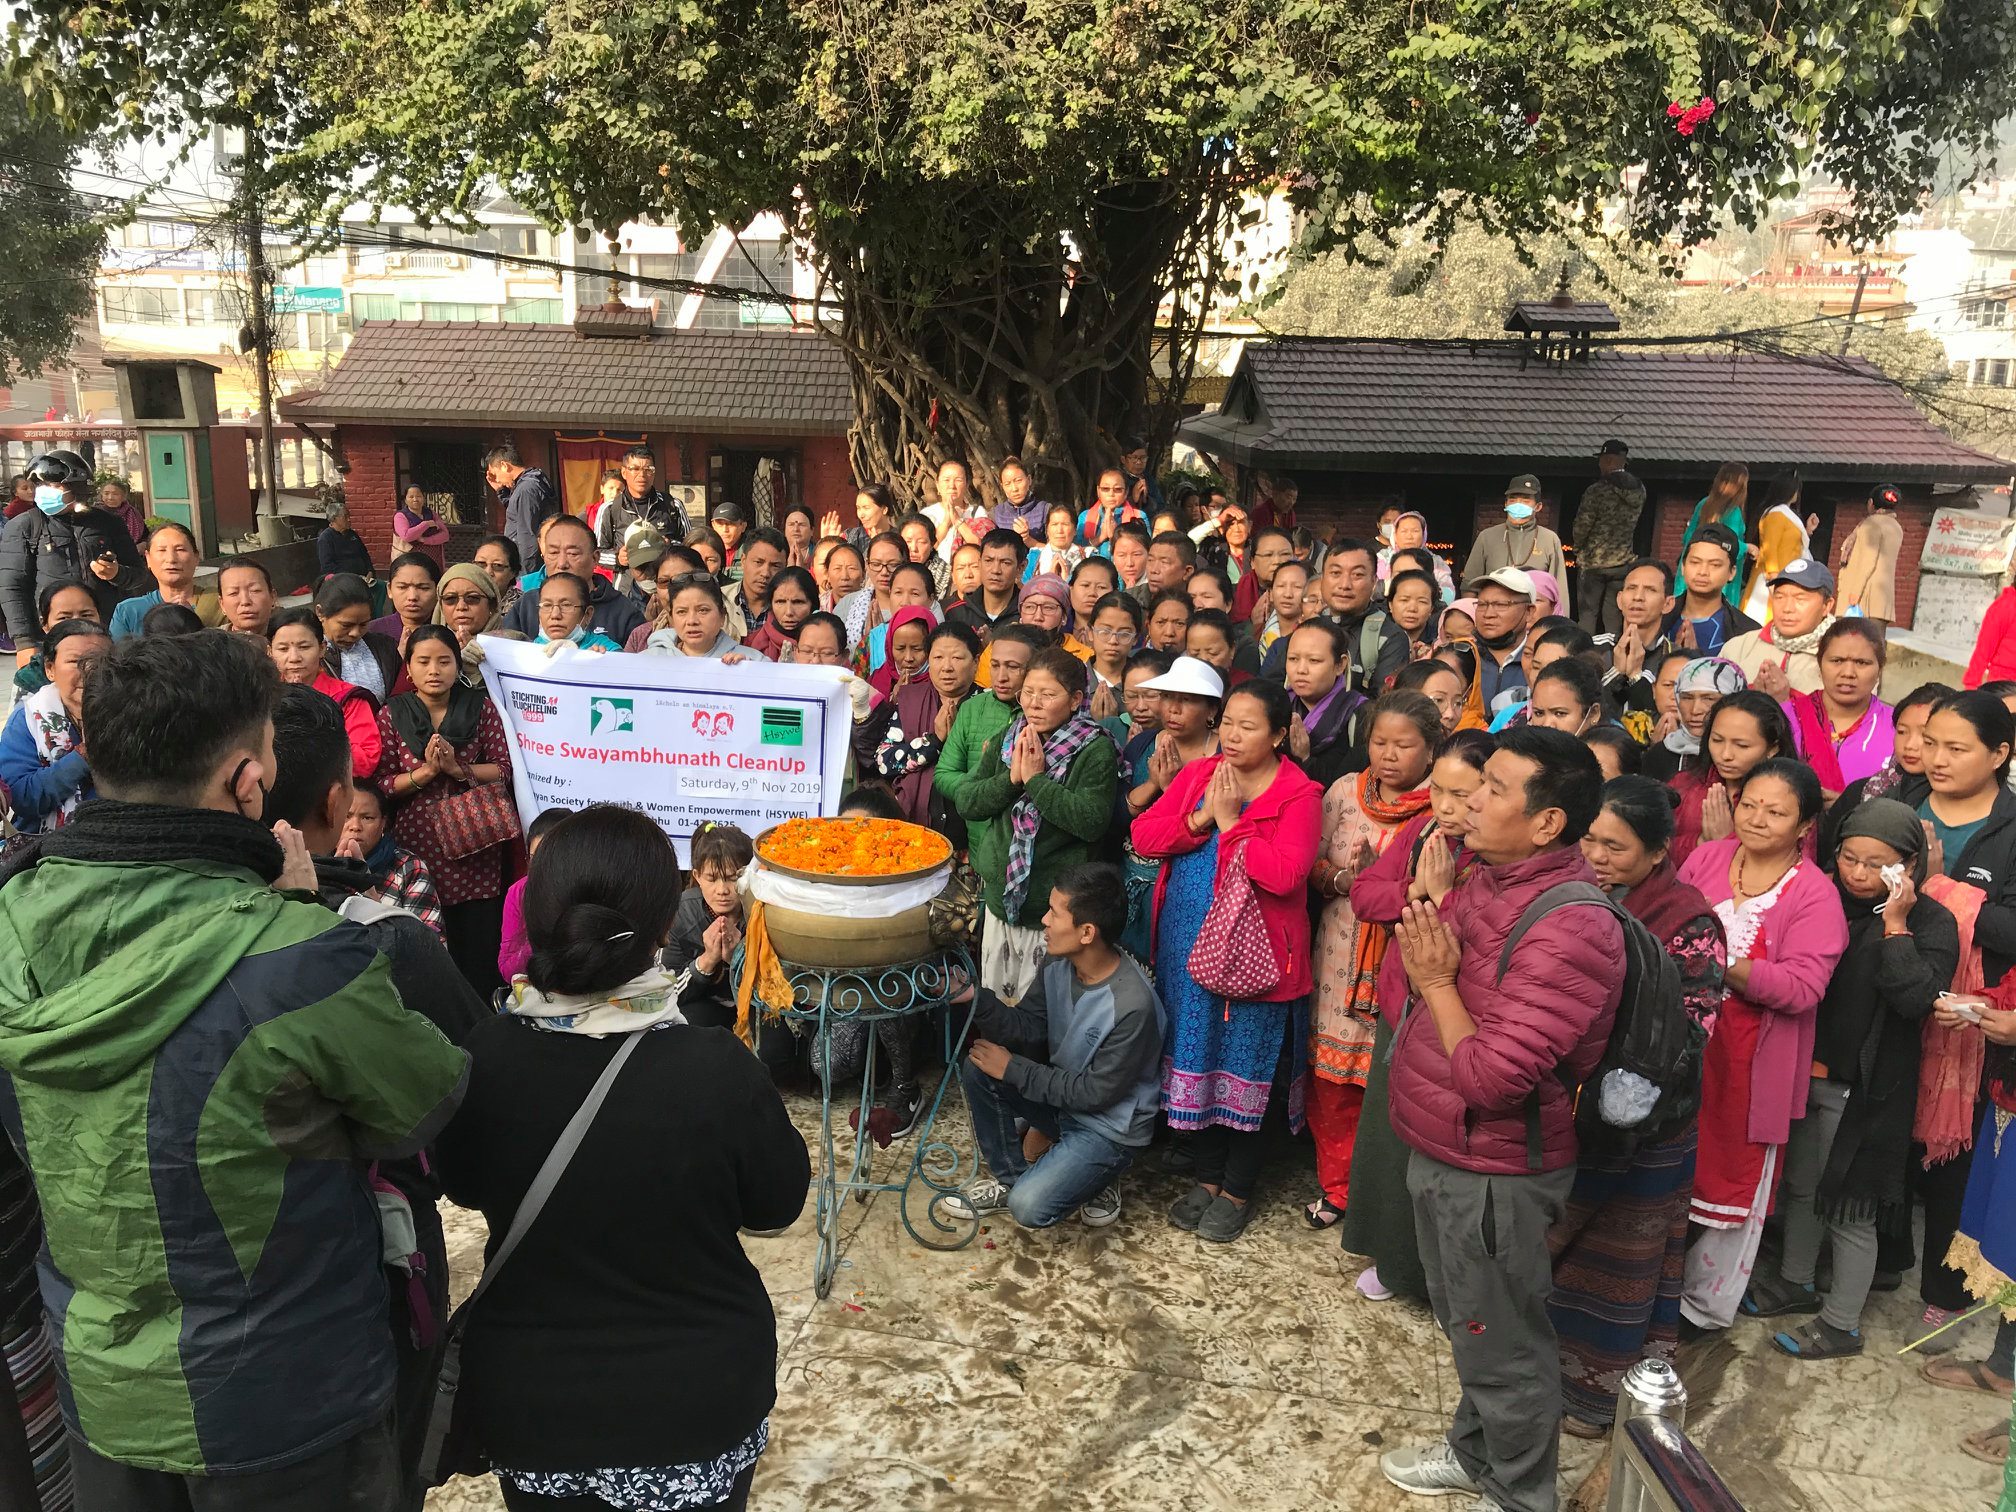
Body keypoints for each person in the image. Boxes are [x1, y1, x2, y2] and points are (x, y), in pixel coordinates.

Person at [0, 629, 468, 1509]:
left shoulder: (10, 919)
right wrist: (298, 922)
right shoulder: (303, 957)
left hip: (103, 1390)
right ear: (249, 783)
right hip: (285, 1405)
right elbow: (424, 1100)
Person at [431, 804, 808, 1512]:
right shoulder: (716, 1068)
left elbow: (461, 1182)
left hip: (536, 1404)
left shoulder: (488, 1056)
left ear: (537, 915)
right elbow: (776, 1203)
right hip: (698, 1398)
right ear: (665, 926)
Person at [1374, 728, 1622, 1512]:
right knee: (1472, 1325)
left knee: (1503, 1345)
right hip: (1447, 1146)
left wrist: (1437, 982)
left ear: (1547, 822)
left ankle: (1521, 1495)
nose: (1471, 802)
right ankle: (1475, 1452)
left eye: (1494, 789)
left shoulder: (1572, 926)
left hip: (1495, 1168)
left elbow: (1493, 1080)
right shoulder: (1487, 877)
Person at [262, 684, 487, 1507]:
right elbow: (476, 1105)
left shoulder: (66, 927)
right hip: (361, 1289)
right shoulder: (380, 942)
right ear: (336, 803)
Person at [1739, 798, 1956, 1360]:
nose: (1858, 874)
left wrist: (1896, 925)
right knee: (1802, 1188)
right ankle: (1796, 1282)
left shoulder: (1932, 922)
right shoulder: (1822, 899)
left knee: (1850, 1209)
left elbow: (1915, 998)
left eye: (1876, 863)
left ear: (1910, 864)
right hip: (1804, 1073)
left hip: (1865, 1089)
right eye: (1849, 858)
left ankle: (1842, 1326)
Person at [1548, 776, 1726, 1435]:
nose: (1596, 856)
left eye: (1615, 847)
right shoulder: (1569, 894)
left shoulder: (1689, 922)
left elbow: (1692, 1030)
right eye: (1590, 840)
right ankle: (1532, 1372)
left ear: (1656, 853)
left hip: (1643, 1120)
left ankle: (1594, 1396)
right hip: (1563, 1105)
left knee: (1619, 1260)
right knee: (1549, 1244)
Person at [1133, 680, 1321, 1242]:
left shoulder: (1299, 794)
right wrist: (1199, 820)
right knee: (1199, 1062)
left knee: (1246, 1071)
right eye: (1228, 723)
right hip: (1187, 955)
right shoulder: (1199, 775)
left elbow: (1287, 875)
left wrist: (1233, 824)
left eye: (1249, 726)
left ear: (1279, 735)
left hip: (1257, 960)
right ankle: (1208, 1178)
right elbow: (1144, 836)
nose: (1233, 736)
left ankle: (1237, 1189)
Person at [1675, 759, 1850, 1333]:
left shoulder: (1815, 895)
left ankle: (1702, 1307)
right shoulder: (1707, 858)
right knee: (1672, 1164)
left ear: (1805, 825)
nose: (1756, 818)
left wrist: (1716, 960)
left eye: (1776, 812)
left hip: (1752, 1059)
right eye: (1749, 804)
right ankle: (1652, 1286)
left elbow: (1803, 988)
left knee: (1734, 1179)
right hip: (1685, 1045)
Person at [1341, 730, 1492, 1303]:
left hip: (1457, 1019)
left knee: (1437, 1145)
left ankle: (1437, 1277)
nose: (1447, 808)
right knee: (1389, 1138)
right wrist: (1416, 892)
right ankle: (1393, 1258)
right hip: (1401, 1004)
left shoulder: (1495, 854)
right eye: (1439, 792)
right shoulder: (1423, 831)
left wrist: (1444, 897)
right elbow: (1364, 895)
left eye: (1463, 795)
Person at [947, 862, 1165, 1230]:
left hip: (1107, 1127)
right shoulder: (1059, 961)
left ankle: (1099, 1174)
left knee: (1029, 1208)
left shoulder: (1133, 1005)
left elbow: (1095, 1094)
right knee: (980, 1066)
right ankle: (1013, 1179)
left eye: (1054, 912)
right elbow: (1029, 1029)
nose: (1044, 921)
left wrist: (1013, 1069)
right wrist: (974, 997)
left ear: (1087, 932)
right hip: (1064, 1104)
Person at [1305, 691, 1440, 1229]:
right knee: (1331, 1083)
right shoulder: (1344, 791)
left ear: (1430, 750)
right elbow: (1312, 863)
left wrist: (1384, 886)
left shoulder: (1441, 808)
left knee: (1383, 1084)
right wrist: (1348, 881)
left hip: (1402, 960)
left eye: (1403, 745)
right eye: (1380, 742)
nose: (1388, 754)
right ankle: (1337, 1186)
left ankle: (1378, 1195)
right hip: (1337, 952)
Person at [1912, 691, 2016, 1340]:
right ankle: (1880, 1264)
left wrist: (1941, 888)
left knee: (1955, 1155)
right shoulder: (1899, 798)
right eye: (1930, 742)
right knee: (1889, 1131)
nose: (1937, 759)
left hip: (1975, 1015)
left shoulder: (2012, 827)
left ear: (2000, 754)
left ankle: (1945, 1287)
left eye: (1956, 748)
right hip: (1899, 993)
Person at [956, 648, 1120, 1006]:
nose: (1034, 703)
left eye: (1047, 694)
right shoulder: (1010, 737)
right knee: (996, 1007)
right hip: (1001, 904)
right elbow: (967, 801)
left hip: (1053, 915)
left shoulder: (1095, 750)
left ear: (1075, 700)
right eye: (1028, 692)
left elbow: (1091, 822)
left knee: (1041, 1011)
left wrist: (1036, 782)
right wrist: (1011, 780)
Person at [374, 624, 517, 995]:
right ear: (409, 668)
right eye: (423, 661)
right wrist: (424, 774)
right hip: (416, 846)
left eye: (444, 661)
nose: (434, 670)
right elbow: (381, 783)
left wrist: (457, 769)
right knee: (425, 945)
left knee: (476, 945)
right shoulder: (392, 713)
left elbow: (504, 770)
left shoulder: (481, 708)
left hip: (475, 845)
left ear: (457, 665)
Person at [0, 450, 145, 663]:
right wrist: (24, 642)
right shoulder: (24, 526)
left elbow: (138, 575)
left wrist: (116, 573)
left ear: (76, 488)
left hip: (105, 635)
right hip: (51, 640)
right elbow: (12, 587)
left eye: (54, 485)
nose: (44, 491)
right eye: (40, 485)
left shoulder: (108, 523)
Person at [871, 621, 982, 833]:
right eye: (938, 657)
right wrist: (933, 741)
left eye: (957, 658)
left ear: (975, 662)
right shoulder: (910, 700)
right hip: (916, 828)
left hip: (972, 831)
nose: (947, 667)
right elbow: (884, 761)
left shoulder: (988, 704)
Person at [0, 618, 107, 833]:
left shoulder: (132, 711)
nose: (89, 670)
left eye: (100, 661)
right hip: (45, 842)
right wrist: (83, 756)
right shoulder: (28, 719)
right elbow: (21, 796)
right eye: (75, 661)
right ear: (50, 669)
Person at [1669, 688, 1793, 868]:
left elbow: (1793, 867)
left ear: (1773, 748)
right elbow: (1654, 853)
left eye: (1741, 745)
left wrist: (1727, 840)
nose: (1725, 755)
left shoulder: (1792, 797)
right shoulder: (1684, 786)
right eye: (1717, 740)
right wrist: (1701, 842)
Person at [1782, 619, 1892, 803]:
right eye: (1837, 661)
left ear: (1879, 669)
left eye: (1862, 663)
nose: (1848, 673)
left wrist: (1847, 807)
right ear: (1820, 664)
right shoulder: (1785, 718)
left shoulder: (1899, 728)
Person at [266, 606, 384, 779]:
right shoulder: (263, 697)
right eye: (283, 649)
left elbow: (366, 760)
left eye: (304, 647)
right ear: (270, 652)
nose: (294, 658)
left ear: (322, 648)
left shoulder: (347, 698)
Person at [936, 624, 1043, 814]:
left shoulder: (1046, 713)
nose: (1001, 677)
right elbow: (944, 775)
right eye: (995, 665)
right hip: (980, 830)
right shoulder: (972, 708)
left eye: (1013, 667)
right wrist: (984, 780)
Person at [502, 515, 646, 647]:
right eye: (553, 553)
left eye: (572, 553)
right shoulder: (527, 605)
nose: (562, 563)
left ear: (595, 558)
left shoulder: (623, 611)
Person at [1722, 558, 1837, 700]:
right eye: (1780, 597)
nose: (1787, 608)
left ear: (1827, 605)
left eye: (1800, 599)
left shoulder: (1840, 657)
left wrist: (1783, 703)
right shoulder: (1738, 648)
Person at [1461, 474, 1570, 620]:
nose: (1518, 504)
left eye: (1525, 500)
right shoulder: (1487, 537)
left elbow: (1558, 590)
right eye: (1512, 500)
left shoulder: (1550, 539)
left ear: (1538, 506)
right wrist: (1472, 618)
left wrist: (1560, 624)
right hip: (1493, 614)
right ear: (1506, 504)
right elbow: (1469, 585)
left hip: (1532, 618)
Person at [343, 783, 444, 935]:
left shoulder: (408, 867)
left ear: (383, 823)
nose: (355, 826)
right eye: (346, 816)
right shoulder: (317, 864)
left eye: (367, 818)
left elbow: (429, 940)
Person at [1281, 620, 1369, 791]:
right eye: (1293, 659)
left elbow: (1350, 787)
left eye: (1314, 660)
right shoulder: (1277, 705)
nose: (1301, 669)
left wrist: (1305, 758)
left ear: (1340, 665)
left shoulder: (1360, 715)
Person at [1318, 538, 1411, 694]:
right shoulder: (1306, 632)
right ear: (1322, 578)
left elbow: (1383, 703)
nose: (1345, 585)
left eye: (1357, 575)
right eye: (1335, 573)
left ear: (1374, 582)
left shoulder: (1389, 638)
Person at [1572, 440, 1646, 635]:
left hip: (1593, 563)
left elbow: (1582, 525)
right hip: (1622, 562)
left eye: (1601, 460)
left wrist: (1577, 549)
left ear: (1608, 460)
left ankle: (1584, 651)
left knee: (1588, 614)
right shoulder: (1639, 490)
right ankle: (1613, 650)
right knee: (1613, 615)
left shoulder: (1597, 490)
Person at [1592, 559, 1678, 718]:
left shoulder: (1675, 658)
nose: (1638, 597)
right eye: (1631, 588)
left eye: (1650, 590)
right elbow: (1582, 709)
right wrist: (1616, 673)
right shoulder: (1593, 647)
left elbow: (1665, 717)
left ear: (1668, 604)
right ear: (1619, 599)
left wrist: (1636, 677)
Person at [105, 522, 219, 639]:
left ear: (196, 557)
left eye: (180, 550)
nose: (171, 559)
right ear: (148, 558)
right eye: (161, 550)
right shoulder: (129, 612)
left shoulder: (220, 603)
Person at [1644, 656, 1747, 783]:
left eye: (1708, 698)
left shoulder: (1748, 755)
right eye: (1687, 698)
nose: (1695, 710)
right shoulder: (1660, 754)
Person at [1664, 524, 1757, 657]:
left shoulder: (1747, 633)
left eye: (1715, 565)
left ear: (1732, 572)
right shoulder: (1658, 618)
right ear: (1683, 567)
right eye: (1695, 562)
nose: (1703, 572)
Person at [1467, 566, 1539, 722]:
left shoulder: (1539, 662)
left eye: (1501, 605)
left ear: (1529, 611)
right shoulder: (1462, 656)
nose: (1488, 614)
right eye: (1482, 604)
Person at [317, 571, 403, 700]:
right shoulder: (308, 657)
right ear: (320, 613)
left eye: (363, 624)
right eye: (346, 625)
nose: (355, 633)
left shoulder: (384, 647)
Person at [1740, 474, 1813, 624]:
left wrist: (1808, 530)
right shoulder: (1776, 514)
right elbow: (1770, 547)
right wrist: (1773, 577)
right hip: (1771, 578)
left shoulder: (1784, 514)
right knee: (1761, 621)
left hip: (1785, 576)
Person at [1680, 462, 1752, 607]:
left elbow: (1687, 538)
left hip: (1692, 570)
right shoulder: (1733, 511)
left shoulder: (1704, 504)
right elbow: (1729, 545)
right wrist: (1748, 548)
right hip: (1718, 580)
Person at [1836, 482, 1904, 631]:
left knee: (1848, 638)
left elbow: (1868, 560)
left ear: (1871, 503)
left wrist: (1855, 592)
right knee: (1875, 641)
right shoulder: (1896, 527)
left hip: (1863, 599)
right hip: (1881, 601)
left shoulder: (1870, 524)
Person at [485, 443, 560, 568]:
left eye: (496, 474)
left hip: (527, 565)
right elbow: (518, 512)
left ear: (504, 466)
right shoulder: (528, 484)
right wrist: (501, 491)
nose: (497, 479)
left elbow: (527, 534)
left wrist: (524, 571)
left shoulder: (526, 488)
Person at [644, 575, 752, 661]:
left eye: (703, 610)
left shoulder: (751, 660)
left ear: (722, 616)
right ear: (671, 618)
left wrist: (749, 671)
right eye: (681, 612)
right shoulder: (647, 661)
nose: (692, 621)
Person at [947, 527, 1026, 641]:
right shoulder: (956, 613)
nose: (995, 570)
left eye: (1005, 563)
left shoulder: (1027, 614)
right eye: (988, 561)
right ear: (980, 563)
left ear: (1021, 567)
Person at [534, 571, 622, 653]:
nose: (555, 615)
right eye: (547, 605)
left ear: (588, 614)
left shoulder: (607, 651)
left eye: (566, 605)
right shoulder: (530, 649)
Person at [369, 550, 442, 649]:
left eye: (423, 588)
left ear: (437, 590)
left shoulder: (450, 632)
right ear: (389, 590)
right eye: (402, 587)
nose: (412, 597)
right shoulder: (373, 632)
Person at [743, 565, 816, 662]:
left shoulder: (829, 644)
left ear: (813, 605)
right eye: (780, 602)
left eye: (798, 602)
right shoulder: (751, 645)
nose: (789, 612)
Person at [1077, 467, 1148, 550]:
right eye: (1105, 489)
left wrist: (1114, 536)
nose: (1111, 494)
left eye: (1117, 489)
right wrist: (1100, 537)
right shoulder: (1085, 516)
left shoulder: (1139, 517)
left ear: (1126, 492)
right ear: (1098, 491)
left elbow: (1145, 550)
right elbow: (1076, 549)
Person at [317, 496, 375, 581]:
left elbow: (364, 554)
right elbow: (327, 567)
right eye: (345, 516)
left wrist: (370, 571)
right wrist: (352, 577)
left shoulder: (352, 534)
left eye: (349, 516)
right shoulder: (326, 538)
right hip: (343, 581)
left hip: (364, 578)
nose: (349, 519)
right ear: (334, 519)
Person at [992, 455, 1050, 539]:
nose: (1014, 489)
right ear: (1002, 486)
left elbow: (1055, 546)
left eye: (1018, 481)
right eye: (1007, 484)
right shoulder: (996, 514)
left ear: (1029, 480)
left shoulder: (1045, 510)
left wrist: (1028, 539)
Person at [392, 485, 449, 569]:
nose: (415, 499)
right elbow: (406, 536)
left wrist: (426, 540)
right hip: (409, 560)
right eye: (411, 497)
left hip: (434, 558)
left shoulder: (431, 513)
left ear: (423, 498)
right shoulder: (400, 516)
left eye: (418, 496)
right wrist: (425, 525)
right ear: (405, 500)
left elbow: (445, 535)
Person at [474, 533, 524, 614]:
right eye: (481, 563)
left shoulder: (524, 606)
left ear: (513, 572)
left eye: (497, 565)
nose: (488, 572)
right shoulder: (461, 601)